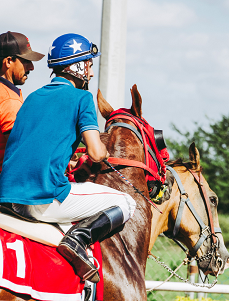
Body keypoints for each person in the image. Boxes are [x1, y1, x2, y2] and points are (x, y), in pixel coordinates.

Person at [0, 33, 136, 283]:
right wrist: (104, 153)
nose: (91, 73)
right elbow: (95, 153)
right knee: (127, 203)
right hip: (42, 198)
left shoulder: (31, 97)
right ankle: (78, 240)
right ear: (76, 66)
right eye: (89, 65)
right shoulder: (82, 98)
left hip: (6, 196)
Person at [0, 31, 44, 172]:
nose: (31, 67)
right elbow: (21, 150)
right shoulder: (8, 99)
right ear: (8, 62)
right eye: (26, 61)